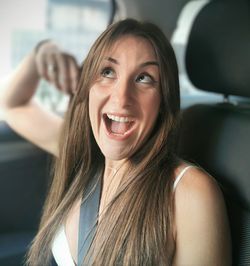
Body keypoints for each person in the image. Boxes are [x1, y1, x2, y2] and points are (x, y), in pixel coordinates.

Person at [1, 19, 231, 265]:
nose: (122, 98)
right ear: (87, 86)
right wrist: (41, 54)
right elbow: (11, 105)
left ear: (163, 101)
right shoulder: (82, 154)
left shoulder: (191, 193)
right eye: (107, 72)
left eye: (143, 78)